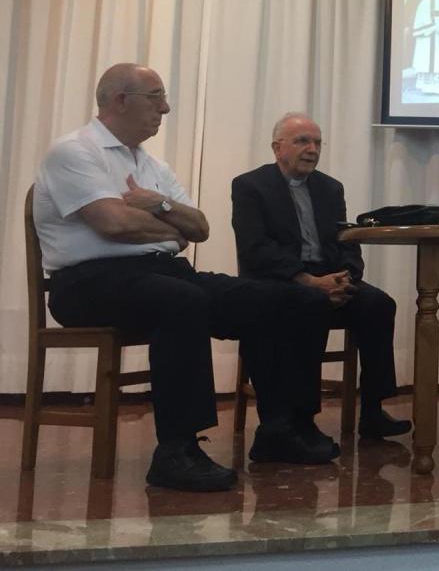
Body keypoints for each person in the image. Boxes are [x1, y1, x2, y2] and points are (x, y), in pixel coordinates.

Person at [33, 64, 337, 492]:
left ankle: (283, 427)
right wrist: (169, 226)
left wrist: (157, 206)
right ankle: (176, 451)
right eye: (156, 97)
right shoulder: (74, 151)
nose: (166, 108)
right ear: (120, 100)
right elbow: (113, 224)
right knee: (182, 300)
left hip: (163, 273)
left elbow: (199, 228)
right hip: (87, 283)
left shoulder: (152, 165)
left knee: (287, 298)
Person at [231, 112, 412, 442]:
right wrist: (309, 281)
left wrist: (345, 278)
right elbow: (255, 248)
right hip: (278, 280)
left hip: (328, 276)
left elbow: (345, 239)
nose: (312, 149)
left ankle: (373, 411)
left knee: (379, 304)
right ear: (277, 148)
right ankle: (302, 419)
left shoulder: (330, 187)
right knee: (310, 305)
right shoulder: (250, 186)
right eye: (302, 141)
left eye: (317, 142)